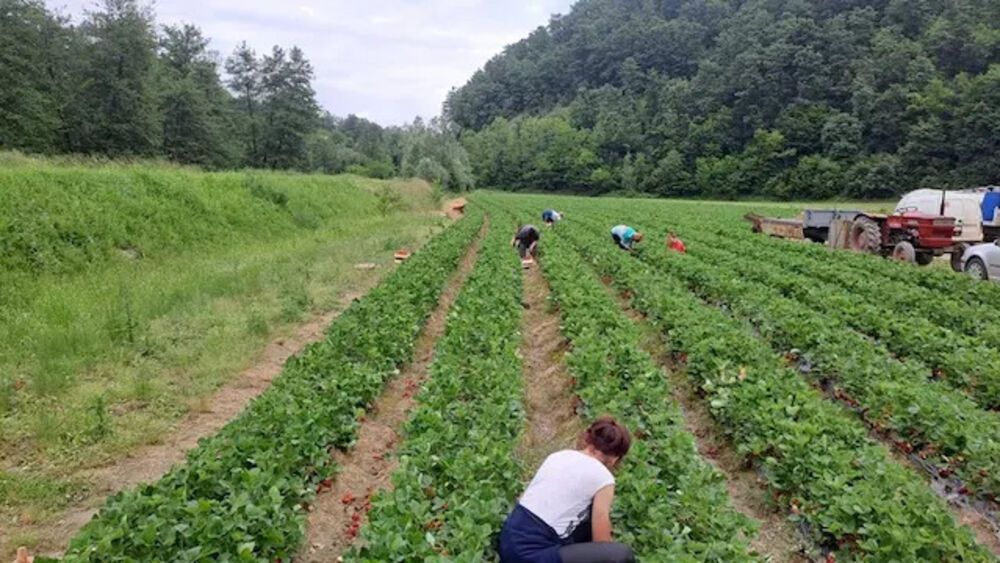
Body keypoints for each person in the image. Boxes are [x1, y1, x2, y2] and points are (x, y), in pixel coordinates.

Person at [498, 418, 634, 563]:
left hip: (508, 542)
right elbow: (602, 542)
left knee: (586, 520)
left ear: (587, 439)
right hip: (530, 557)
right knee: (620, 555)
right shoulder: (604, 478)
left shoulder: (558, 455)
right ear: (615, 458)